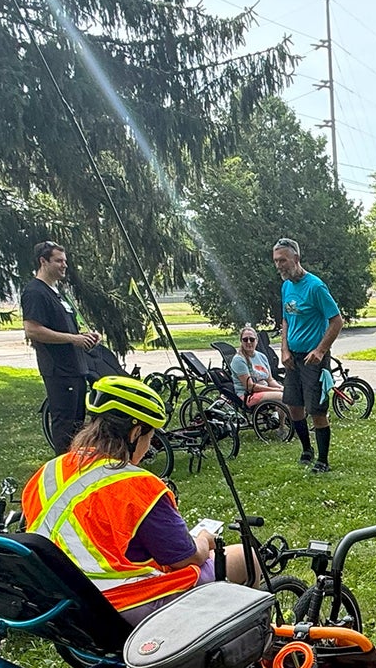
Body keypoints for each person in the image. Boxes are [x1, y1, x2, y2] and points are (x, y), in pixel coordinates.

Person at [22, 376, 258, 624]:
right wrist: (204, 540)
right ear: (135, 432)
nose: (148, 448)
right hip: (124, 606)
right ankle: (249, 640)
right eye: (150, 438)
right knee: (247, 557)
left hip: (61, 604)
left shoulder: (47, 474)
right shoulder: (135, 484)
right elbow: (187, 558)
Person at [272, 237, 344, 473]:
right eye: (276, 261)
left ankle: (323, 460)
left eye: (283, 260)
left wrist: (320, 350)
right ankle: (306, 449)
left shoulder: (315, 287)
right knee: (293, 405)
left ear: (296, 258)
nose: (279, 265)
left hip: (314, 358)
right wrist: (283, 349)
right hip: (292, 356)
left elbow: (336, 321)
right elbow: (285, 319)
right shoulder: (286, 287)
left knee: (317, 410)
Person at [21, 241, 100, 453]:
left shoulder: (57, 292)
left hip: (76, 368)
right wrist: (73, 339)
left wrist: (84, 336)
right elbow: (33, 330)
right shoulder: (35, 292)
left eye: (65, 261)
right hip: (59, 371)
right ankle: (63, 470)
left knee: (77, 424)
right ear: (43, 261)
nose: (64, 265)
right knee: (65, 426)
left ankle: (75, 466)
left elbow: (64, 328)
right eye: (58, 261)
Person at [229, 326, 283, 408]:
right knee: (283, 397)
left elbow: (270, 380)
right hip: (248, 395)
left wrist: (281, 387)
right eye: (245, 339)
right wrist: (276, 390)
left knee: (289, 395)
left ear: (256, 341)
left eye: (252, 339)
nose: (249, 342)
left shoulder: (262, 356)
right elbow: (250, 387)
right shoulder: (239, 360)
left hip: (264, 390)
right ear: (241, 341)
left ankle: (282, 420)